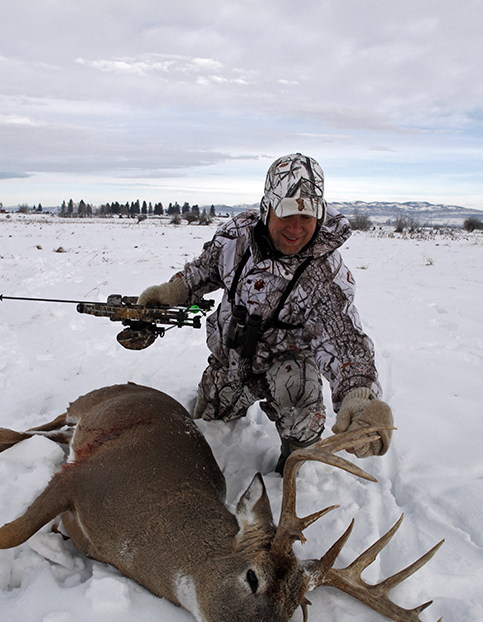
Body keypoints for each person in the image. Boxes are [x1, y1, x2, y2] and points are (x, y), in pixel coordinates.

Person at [138, 153, 393, 473]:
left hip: (287, 373)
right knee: (207, 420)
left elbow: (342, 338)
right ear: (267, 207)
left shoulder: (323, 272)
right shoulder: (235, 237)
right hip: (231, 363)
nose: (296, 228)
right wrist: (171, 291)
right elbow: (202, 272)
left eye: (308, 215)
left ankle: (293, 462)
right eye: (286, 212)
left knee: (301, 399)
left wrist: (360, 395)